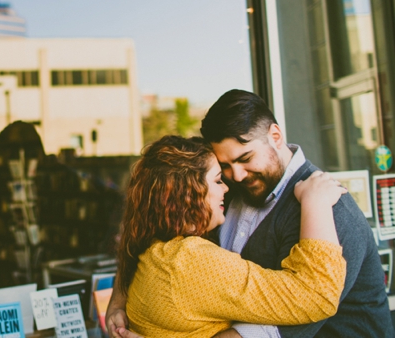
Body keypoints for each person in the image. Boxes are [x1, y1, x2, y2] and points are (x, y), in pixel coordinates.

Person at [107, 90, 393, 337]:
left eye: (245, 159)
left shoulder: (327, 209)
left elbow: (283, 328)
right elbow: (154, 232)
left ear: (276, 136)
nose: (237, 175)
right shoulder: (220, 192)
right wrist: (119, 299)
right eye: (225, 167)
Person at [115, 135, 346, 337]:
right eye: (217, 180)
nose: (227, 187)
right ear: (188, 195)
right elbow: (315, 297)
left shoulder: (154, 249)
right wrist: (316, 203)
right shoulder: (191, 262)